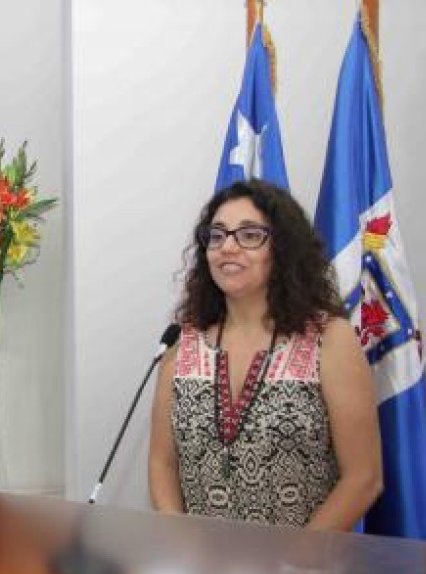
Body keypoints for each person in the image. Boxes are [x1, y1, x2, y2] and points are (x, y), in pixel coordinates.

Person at [148, 179, 382, 531]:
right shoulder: (183, 345)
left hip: (303, 560)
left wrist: (294, 556)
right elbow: (162, 464)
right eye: (217, 236)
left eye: (249, 235)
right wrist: (179, 541)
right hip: (200, 561)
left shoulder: (330, 340)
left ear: (282, 249)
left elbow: (363, 478)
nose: (228, 247)